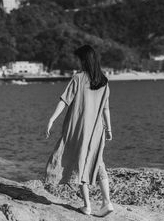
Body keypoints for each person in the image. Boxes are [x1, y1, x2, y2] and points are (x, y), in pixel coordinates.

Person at [44, 44, 114, 217]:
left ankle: (87, 206)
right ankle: (107, 202)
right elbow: (106, 109)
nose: (78, 62)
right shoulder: (104, 81)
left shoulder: (78, 78)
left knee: (80, 164)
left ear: (84, 60)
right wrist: (109, 129)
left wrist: (52, 119)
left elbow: (64, 100)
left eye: (79, 59)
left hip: (79, 129)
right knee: (98, 163)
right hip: (97, 130)